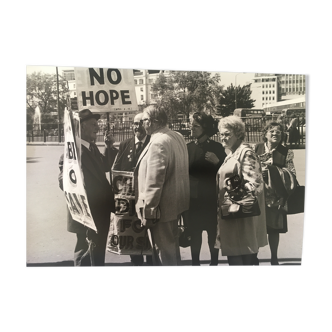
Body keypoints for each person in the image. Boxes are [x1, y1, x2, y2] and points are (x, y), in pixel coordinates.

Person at [58, 109, 118, 267]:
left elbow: (105, 166)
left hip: (99, 212)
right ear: (81, 127)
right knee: (85, 253)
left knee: (96, 253)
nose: (97, 128)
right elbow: (62, 181)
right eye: (93, 124)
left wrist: (109, 146)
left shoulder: (92, 148)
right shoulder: (72, 152)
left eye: (97, 124)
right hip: (86, 214)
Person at [134, 105, 190, 267]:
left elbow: (155, 181)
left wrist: (149, 211)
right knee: (171, 250)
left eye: (144, 120)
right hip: (175, 205)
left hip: (161, 210)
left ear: (153, 122)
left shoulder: (158, 142)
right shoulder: (176, 136)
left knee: (162, 252)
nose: (142, 124)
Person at [214, 115, 268, 266]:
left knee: (241, 256)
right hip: (231, 214)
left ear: (238, 134)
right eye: (221, 134)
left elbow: (255, 184)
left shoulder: (246, 153)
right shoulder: (232, 153)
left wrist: (232, 193)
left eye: (226, 134)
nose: (222, 138)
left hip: (241, 216)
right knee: (235, 254)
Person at [185, 112, 227, 266]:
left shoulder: (217, 148)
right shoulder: (187, 148)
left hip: (211, 200)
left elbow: (226, 173)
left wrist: (217, 162)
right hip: (193, 201)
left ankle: (214, 263)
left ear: (205, 128)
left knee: (212, 234)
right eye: (191, 125)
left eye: (196, 126)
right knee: (194, 235)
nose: (192, 128)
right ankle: (195, 263)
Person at [253, 122, 297, 266]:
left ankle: (274, 258)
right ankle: (254, 257)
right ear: (265, 133)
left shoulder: (286, 152)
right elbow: (248, 169)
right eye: (271, 131)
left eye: (279, 132)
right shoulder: (256, 148)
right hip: (257, 195)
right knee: (255, 228)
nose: (275, 134)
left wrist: (272, 172)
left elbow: (292, 174)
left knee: (273, 230)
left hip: (276, 197)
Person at [112, 113, 152, 267]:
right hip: (128, 202)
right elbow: (116, 169)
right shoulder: (125, 144)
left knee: (148, 236)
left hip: (146, 198)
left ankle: (151, 262)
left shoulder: (152, 143)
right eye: (135, 124)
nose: (137, 127)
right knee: (131, 234)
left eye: (141, 123)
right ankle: (136, 263)